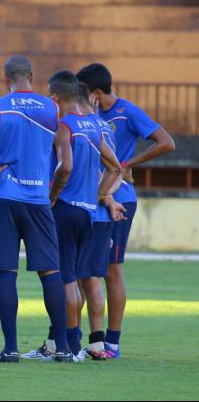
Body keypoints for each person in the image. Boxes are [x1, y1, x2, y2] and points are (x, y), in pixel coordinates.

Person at [0, 56, 72, 363]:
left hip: (4, 197)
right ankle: (64, 347)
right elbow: (64, 156)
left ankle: (11, 348)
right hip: (39, 198)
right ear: (31, 75)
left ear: (6, 79)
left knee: (5, 271)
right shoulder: (52, 108)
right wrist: (52, 193)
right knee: (51, 272)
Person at [76, 63, 175, 358]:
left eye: (81, 90)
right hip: (89, 198)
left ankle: (112, 343)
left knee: (111, 268)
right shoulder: (85, 115)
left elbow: (166, 143)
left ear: (94, 92)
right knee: (84, 270)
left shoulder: (127, 112)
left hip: (119, 198)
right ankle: (77, 337)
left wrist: (128, 164)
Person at [46, 71, 122, 360]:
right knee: (80, 277)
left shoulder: (65, 127)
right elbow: (116, 167)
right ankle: (83, 342)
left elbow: (64, 167)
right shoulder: (93, 125)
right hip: (89, 213)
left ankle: (71, 345)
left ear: (55, 98)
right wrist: (98, 195)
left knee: (66, 279)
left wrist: (52, 198)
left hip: (65, 209)